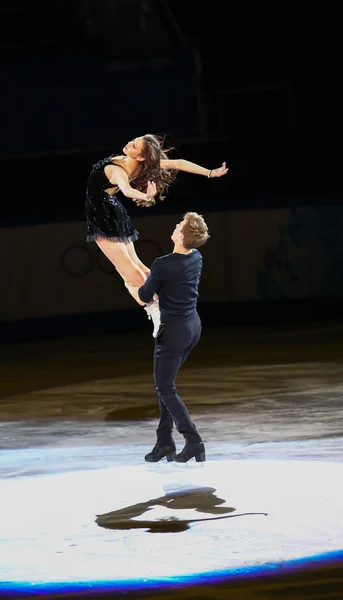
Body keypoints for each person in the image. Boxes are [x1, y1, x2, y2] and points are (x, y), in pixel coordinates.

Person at [85, 133, 227, 335]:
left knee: (128, 271)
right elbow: (178, 163)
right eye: (133, 140)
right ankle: (166, 304)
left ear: (141, 157)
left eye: (134, 146)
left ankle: (162, 312)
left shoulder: (116, 169)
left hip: (102, 216)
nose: (129, 143)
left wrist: (143, 195)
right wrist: (210, 173)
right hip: (112, 211)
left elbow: (126, 189)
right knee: (134, 269)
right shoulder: (139, 164)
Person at [124, 212, 209, 463]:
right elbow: (167, 281)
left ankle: (193, 440)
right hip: (192, 327)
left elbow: (144, 295)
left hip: (173, 332)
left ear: (182, 235)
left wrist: (130, 287)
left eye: (179, 225)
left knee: (164, 387)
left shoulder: (163, 264)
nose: (175, 225)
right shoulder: (196, 257)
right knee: (166, 385)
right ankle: (164, 442)